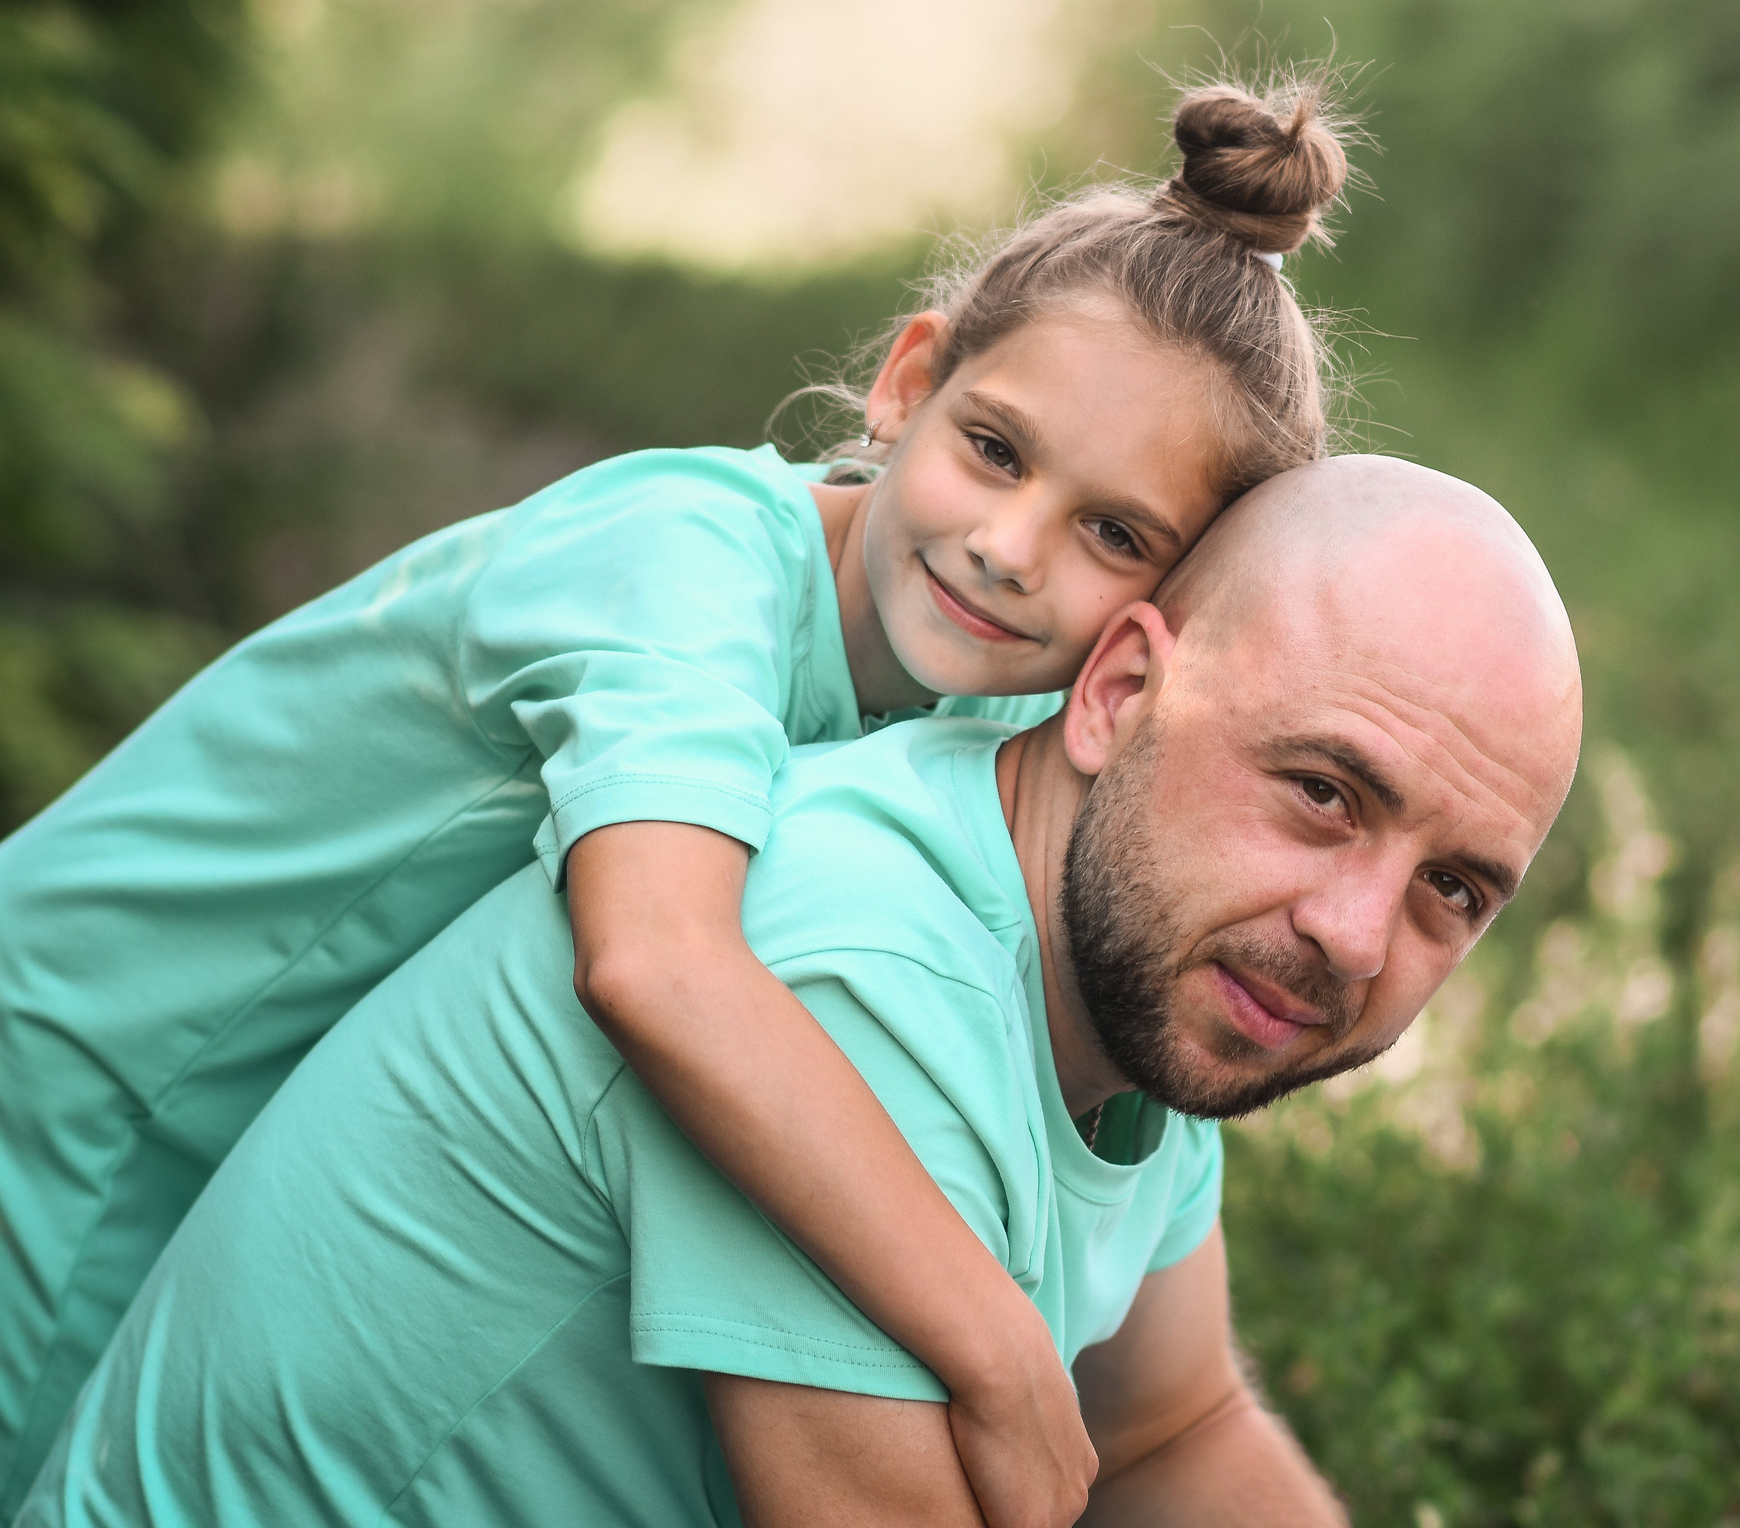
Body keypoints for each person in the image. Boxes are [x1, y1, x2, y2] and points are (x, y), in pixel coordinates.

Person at [0, 81, 1352, 1527]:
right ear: (909, 386)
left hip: (244, 1128)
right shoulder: (685, 558)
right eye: (995, 450)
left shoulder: (996, 708)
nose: (1011, 548)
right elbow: (657, 959)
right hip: (85, 1086)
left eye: (1113, 533)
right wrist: (998, 1347)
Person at [15, 455, 1585, 1528]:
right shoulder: (865, 963)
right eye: (1322, 791)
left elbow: (1176, 1438)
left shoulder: (1147, 960)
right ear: (1117, 697)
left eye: (1455, 890)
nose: (1357, 937)